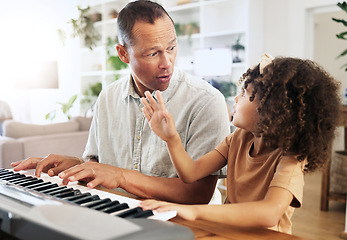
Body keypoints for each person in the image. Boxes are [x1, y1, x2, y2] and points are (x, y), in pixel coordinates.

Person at [11, 0, 230, 204]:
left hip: (181, 223)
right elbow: (101, 168)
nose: (167, 63)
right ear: (123, 54)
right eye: (153, 53)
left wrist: (122, 177)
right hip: (114, 211)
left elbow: (198, 194)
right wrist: (75, 167)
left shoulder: (206, 101)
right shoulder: (107, 97)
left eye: (171, 48)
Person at [140, 54, 340, 233]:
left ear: (271, 108)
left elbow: (269, 213)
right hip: (228, 232)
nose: (235, 99)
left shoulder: (290, 158)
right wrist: (171, 138)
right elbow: (190, 173)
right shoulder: (237, 138)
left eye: (245, 94)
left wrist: (195, 212)